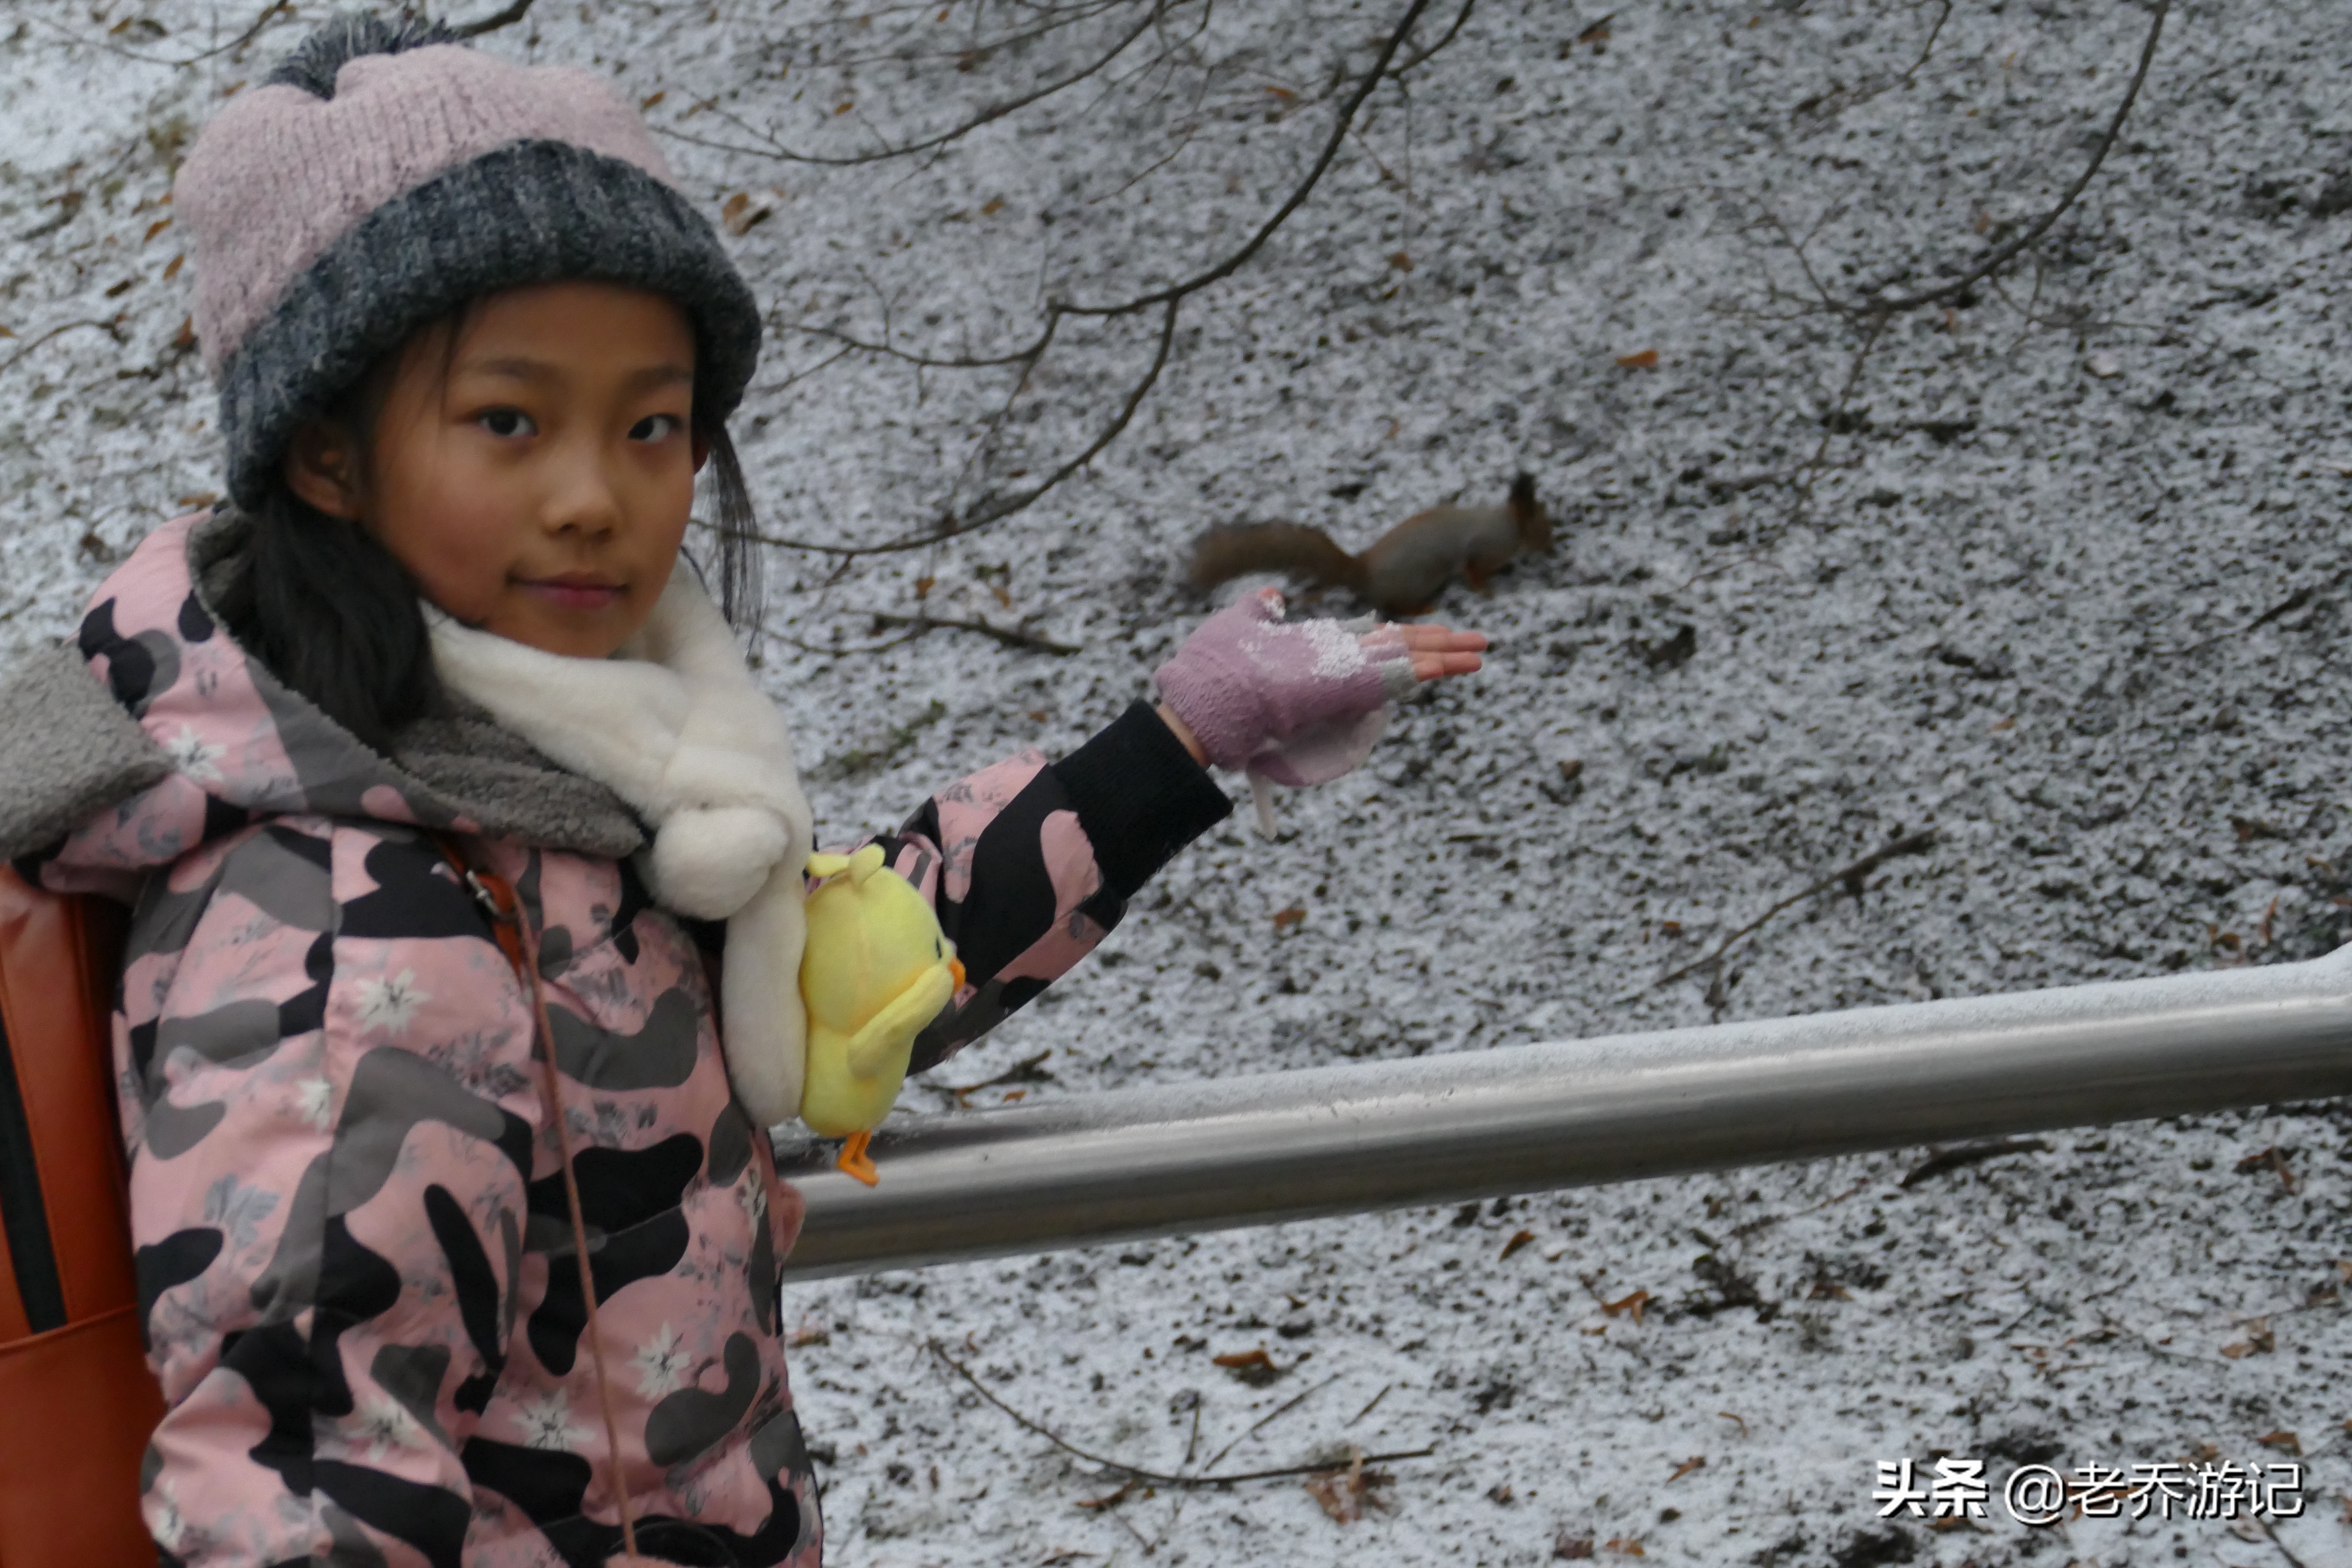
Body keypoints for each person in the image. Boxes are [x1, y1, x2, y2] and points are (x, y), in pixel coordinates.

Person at [0, 15, 1483, 1567]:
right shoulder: (348, 926)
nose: (597, 497)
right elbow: (304, 1492)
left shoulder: (547, 793)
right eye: (509, 420)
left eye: (651, 425)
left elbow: (843, 976)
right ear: (325, 454)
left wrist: (1179, 744)